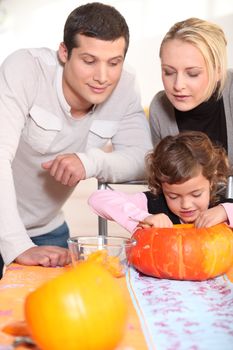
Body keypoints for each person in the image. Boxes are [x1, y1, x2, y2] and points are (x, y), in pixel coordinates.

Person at [0, 2, 152, 277]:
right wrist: (17, 244)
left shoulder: (126, 85)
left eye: (114, 63)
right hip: (10, 234)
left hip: (49, 231)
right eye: (89, 61)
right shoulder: (25, 69)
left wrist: (88, 162)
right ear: (64, 52)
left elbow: (142, 158)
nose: (102, 77)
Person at [88, 131, 233, 234]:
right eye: (173, 197)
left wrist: (225, 212)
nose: (186, 205)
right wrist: (144, 217)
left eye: (196, 194)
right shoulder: (152, 204)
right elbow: (97, 199)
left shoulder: (222, 209)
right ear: (162, 186)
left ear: (211, 183)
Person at [149, 17, 233, 164]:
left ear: (218, 71)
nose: (178, 85)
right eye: (169, 72)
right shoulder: (160, 107)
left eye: (192, 73)